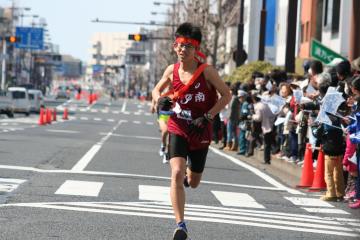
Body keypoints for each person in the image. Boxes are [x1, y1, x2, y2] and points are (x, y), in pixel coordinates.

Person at [152, 22, 231, 240]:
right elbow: (156, 89)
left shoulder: (207, 72)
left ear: (196, 49)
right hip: (178, 124)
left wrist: (208, 116)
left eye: (188, 45)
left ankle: (191, 175)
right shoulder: (172, 70)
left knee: (194, 182)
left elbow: (226, 95)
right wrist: (160, 100)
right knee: (176, 172)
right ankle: (181, 225)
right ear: (174, 46)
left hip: (200, 129)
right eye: (179, 44)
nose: (182, 49)